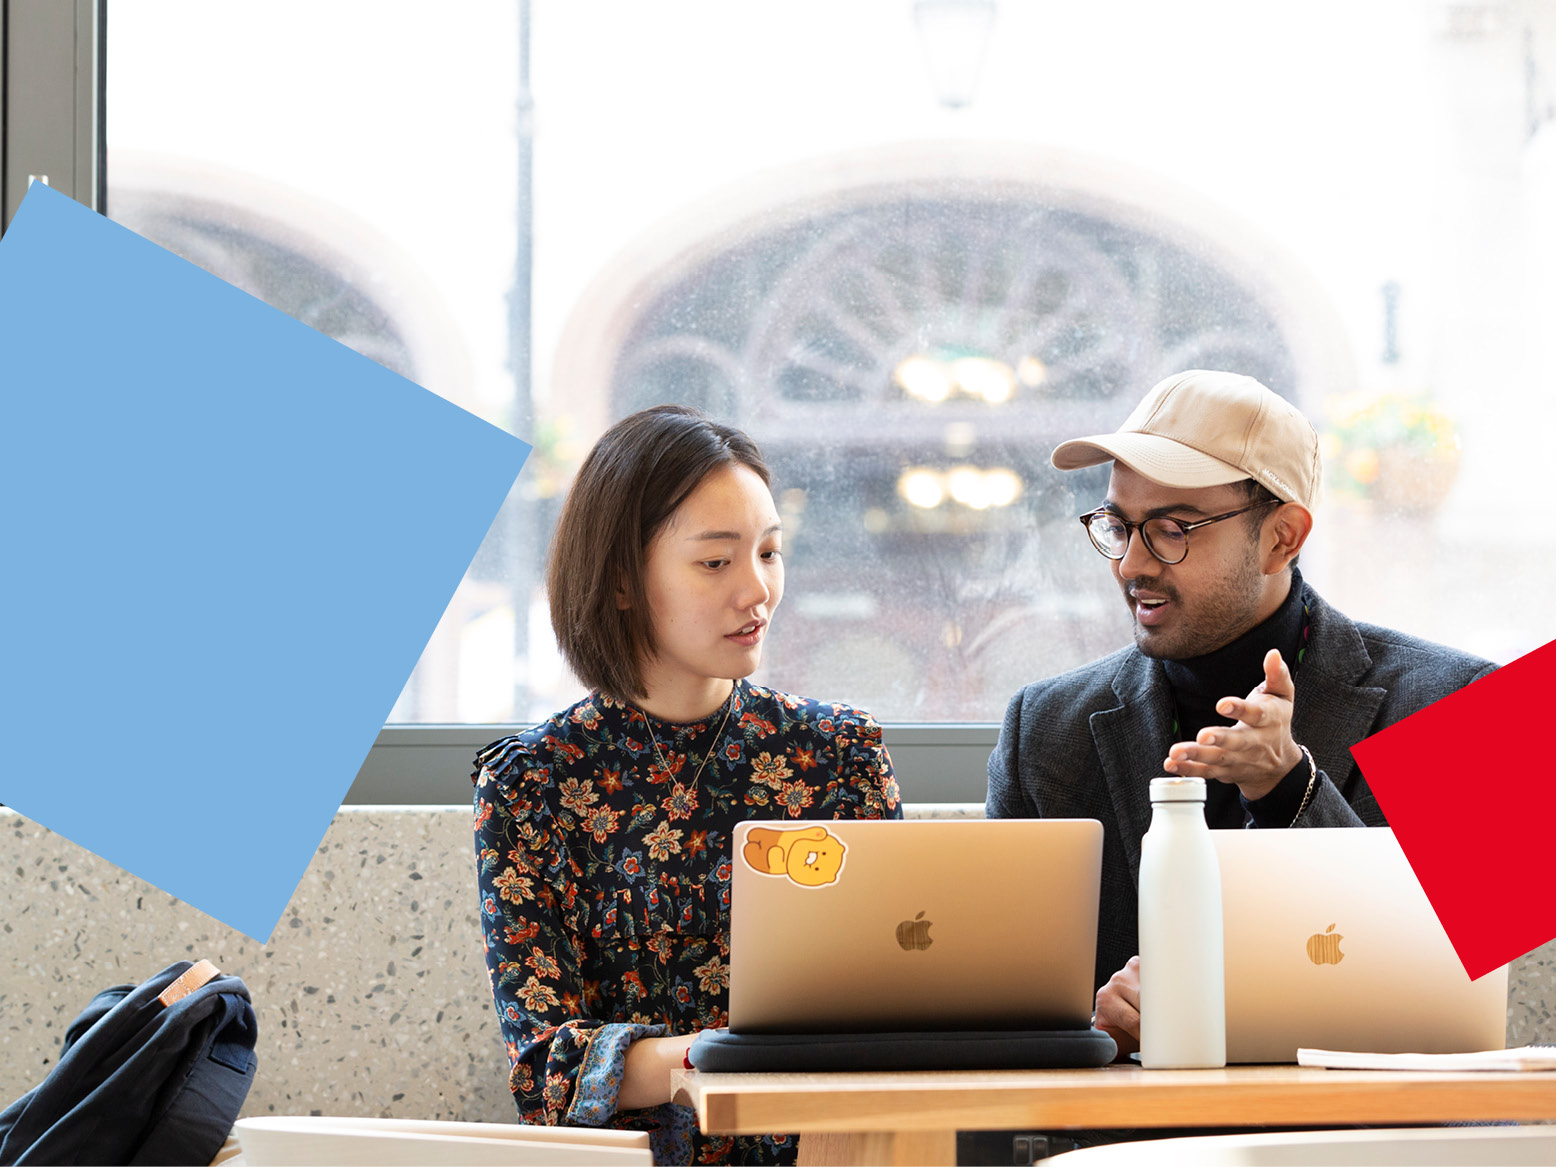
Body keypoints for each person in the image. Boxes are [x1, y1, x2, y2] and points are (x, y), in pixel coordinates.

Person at [986, 370, 1495, 1059]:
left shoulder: (1466, 706)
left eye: (1172, 528)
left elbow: (1472, 1014)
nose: (1132, 562)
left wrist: (1291, 789)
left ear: (1284, 537)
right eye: (1117, 525)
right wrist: (1088, 1023)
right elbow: (1005, 1008)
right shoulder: (1044, 727)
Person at [473, 404, 901, 1165]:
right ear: (621, 581)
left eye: (769, 553)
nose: (757, 591)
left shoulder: (841, 754)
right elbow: (543, 1066)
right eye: (716, 562)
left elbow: (911, 984)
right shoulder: (531, 784)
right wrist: (715, 1057)